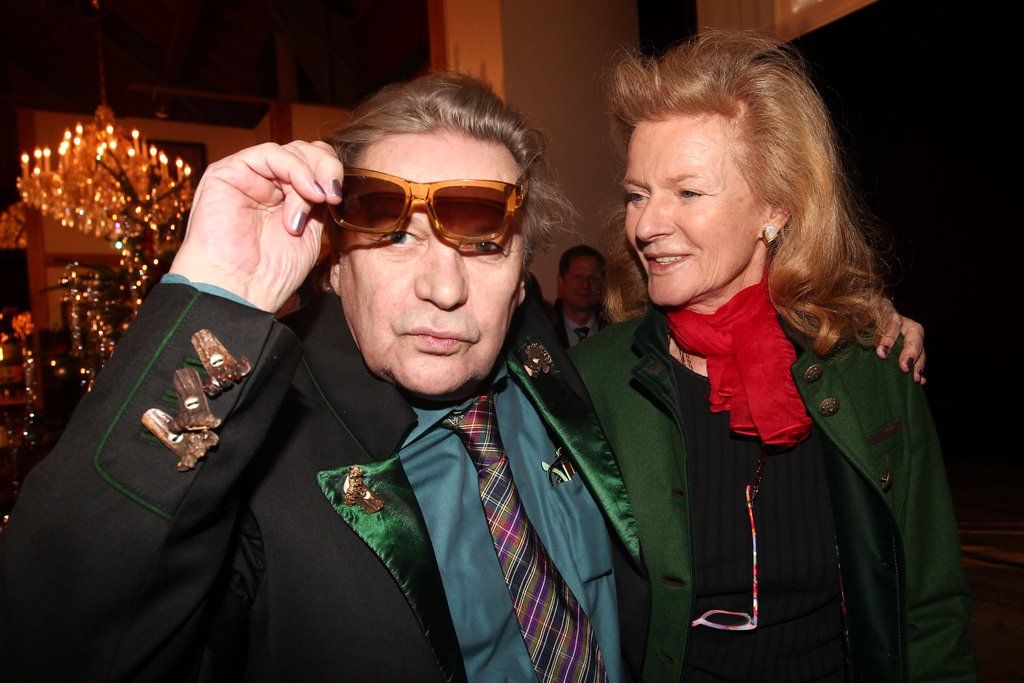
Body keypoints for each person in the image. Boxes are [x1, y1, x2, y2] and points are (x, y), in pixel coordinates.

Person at [0, 74, 648, 682]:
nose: (445, 288)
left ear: (521, 280)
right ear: (335, 267)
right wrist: (216, 291)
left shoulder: (557, 371)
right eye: (396, 238)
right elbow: (58, 636)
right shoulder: (258, 466)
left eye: (483, 244)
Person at [570, 32, 973, 682]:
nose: (645, 225)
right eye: (638, 194)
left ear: (775, 209)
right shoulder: (595, 381)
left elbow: (930, 607)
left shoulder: (870, 365)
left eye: (687, 193)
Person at [552, 245, 607, 347]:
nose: (585, 285)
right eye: (578, 277)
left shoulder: (615, 328)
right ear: (560, 281)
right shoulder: (545, 330)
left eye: (593, 278)